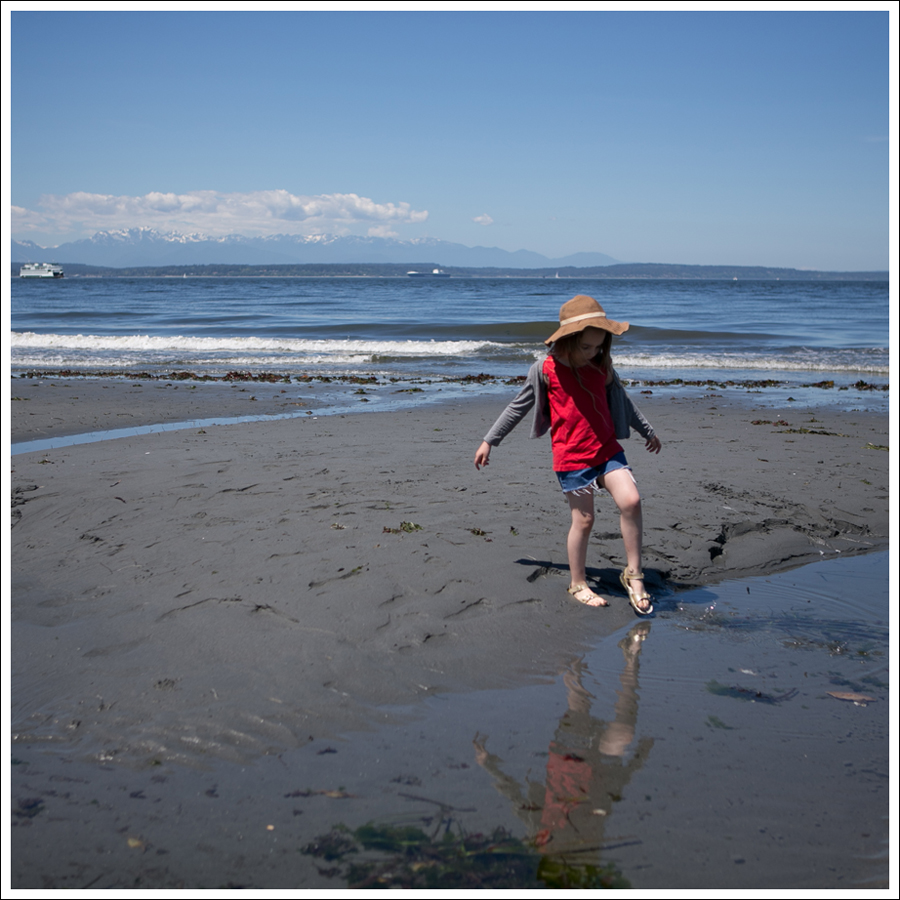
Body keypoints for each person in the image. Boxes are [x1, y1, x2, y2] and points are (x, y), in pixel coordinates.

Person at [474, 295, 661, 614]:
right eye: (586, 347)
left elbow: (623, 402)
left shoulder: (601, 366)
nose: (593, 352)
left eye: (599, 347)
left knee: (631, 501)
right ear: (569, 339)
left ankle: (634, 574)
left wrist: (647, 430)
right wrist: (489, 440)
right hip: (572, 458)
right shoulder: (545, 369)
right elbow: (518, 406)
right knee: (584, 520)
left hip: (607, 450)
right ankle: (578, 582)